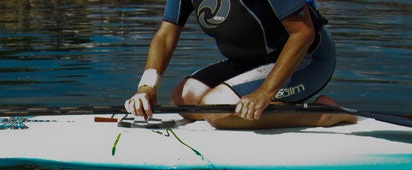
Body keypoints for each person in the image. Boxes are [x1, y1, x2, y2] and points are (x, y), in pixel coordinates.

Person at [124, 0, 357, 129]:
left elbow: (303, 33)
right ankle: (239, 114)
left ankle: (323, 114)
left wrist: (265, 93)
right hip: (249, 62)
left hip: (308, 60)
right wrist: (147, 88)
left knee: (215, 109)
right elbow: (166, 34)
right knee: (185, 97)